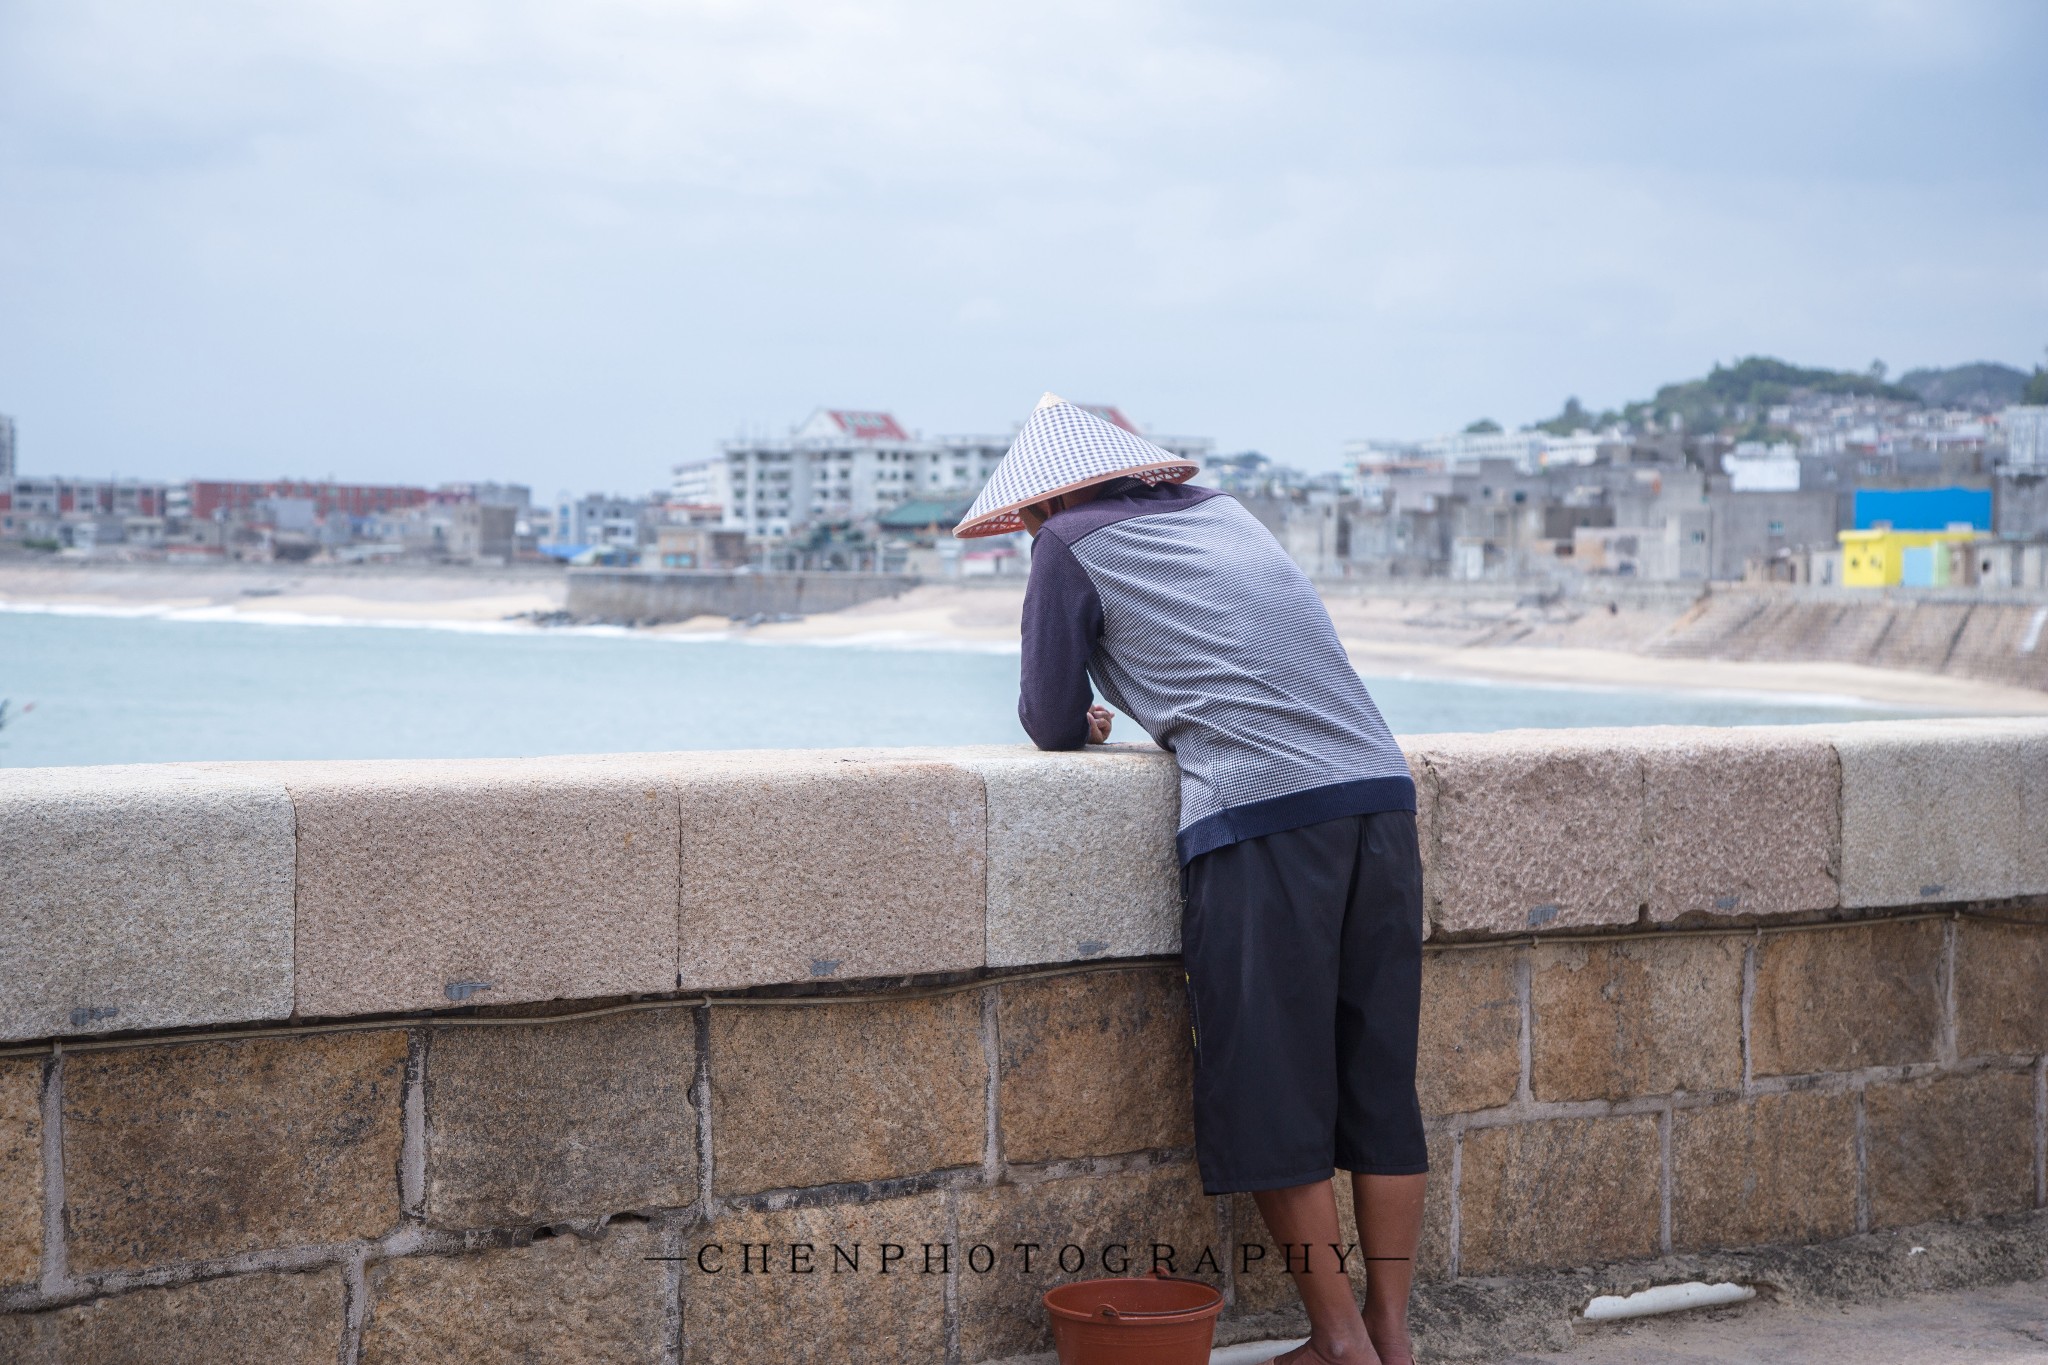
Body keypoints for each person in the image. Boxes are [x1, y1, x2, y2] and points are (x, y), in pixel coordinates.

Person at [955, 395, 1428, 1365]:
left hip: (1260, 820)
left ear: (1041, 501)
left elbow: (1048, 717)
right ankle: (1391, 1335)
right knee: (1378, 1087)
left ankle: (1337, 1344)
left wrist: (1084, 723)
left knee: (1273, 1085)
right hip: (1377, 798)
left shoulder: (1066, 542)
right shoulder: (1224, 510)